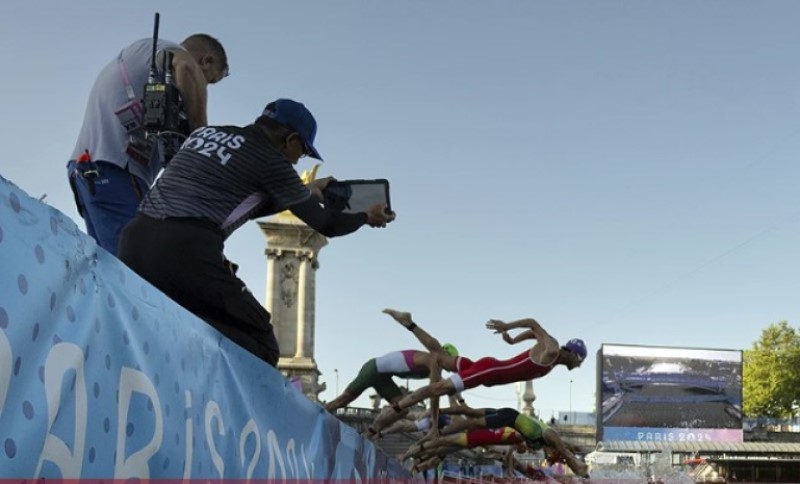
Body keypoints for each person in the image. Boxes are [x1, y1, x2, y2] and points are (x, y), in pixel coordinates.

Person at [118, 99, 395, 366]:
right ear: (291, 140)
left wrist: (305, 191)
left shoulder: (206, 134)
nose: (299, 160)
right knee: (261, 343)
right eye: (304, 151)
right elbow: (328, 224)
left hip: (134, 241)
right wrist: (365, 216)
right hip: (186, 250)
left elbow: (240, 200)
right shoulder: (270, 160)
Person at [68, 34, 230, 255]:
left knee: (111, 270)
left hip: (93, 171)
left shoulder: (150, 66)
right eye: (209, 80)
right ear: (206, 61)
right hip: (114, 171)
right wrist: (199, 136)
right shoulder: (164, 51)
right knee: (136, 267)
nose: (205, 87)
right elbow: (186, 65)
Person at [367, 315, 587, 433]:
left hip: (487, 370)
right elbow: (534, 324)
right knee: (437, 388)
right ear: (576, 356)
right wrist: (507, 326)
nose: (578, 367)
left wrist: (512, 341)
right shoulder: (554, 350)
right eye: (580, 362)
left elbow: (533, 332)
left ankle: (410, 323)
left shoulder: (553, 356)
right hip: (487, 372)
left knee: (440, 356)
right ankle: (391, 412)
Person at [326, 308, 461, 412]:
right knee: (343, 400)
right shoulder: (433, 361)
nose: (453, 368)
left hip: (384, 378)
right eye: (453, 362)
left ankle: (375, 430)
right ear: (446, 356)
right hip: (373, 369)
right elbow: (433, 394)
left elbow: (444, 386)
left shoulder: (435, 367)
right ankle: (318, 412)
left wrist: (458, 396)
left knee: (401, 410)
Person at [411, 407, 589, 477]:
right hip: (507, 417)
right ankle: (437, 424)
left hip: (499, 425)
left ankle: (418, 463)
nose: (524, 451)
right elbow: (566, 452)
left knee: (446, 450)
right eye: (552, 456)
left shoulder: (538, 443)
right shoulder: (547, 436)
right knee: (470, 417)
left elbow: (566, 450)